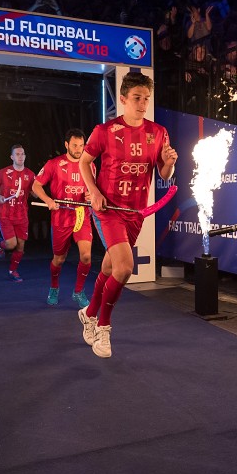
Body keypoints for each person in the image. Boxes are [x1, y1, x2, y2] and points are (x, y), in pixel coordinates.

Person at [77, 72, 178, 359]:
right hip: (108, 210)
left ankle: (89, 313)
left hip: (135, 212)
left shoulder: (158, 132)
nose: (143, 104)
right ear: (122, 99)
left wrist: (168, 164)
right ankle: (103, 329)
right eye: (137, 98)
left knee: (110, 268)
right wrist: (94, 192)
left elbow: (163, 173)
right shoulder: (104, 131)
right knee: (124, 268)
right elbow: (85, 162)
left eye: (146, 98)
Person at [31, 129, 96, 307]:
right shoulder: (54, 164)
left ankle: (79, 291)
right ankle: (54, 287)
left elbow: (93, 189)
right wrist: (48, 200)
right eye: (75, 145)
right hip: (61, 217)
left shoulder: (90, 165)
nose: (78, 149)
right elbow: (36, 185)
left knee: (86, 256)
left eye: (81, 145)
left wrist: (91, 195)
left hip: (82, 215)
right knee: (59, 259)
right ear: (66, 144)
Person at [0, 143, 36, 282]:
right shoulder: (3, 173)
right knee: (11, 244)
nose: (20, 156)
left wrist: (40, 192)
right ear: (12, 157)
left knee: (21, 246)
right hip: (5, 214)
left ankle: (13, 270)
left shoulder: (30, 174)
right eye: (17, 154)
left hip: (22, 215)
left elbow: (35, 193)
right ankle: (0, 244)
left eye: (22, 154)